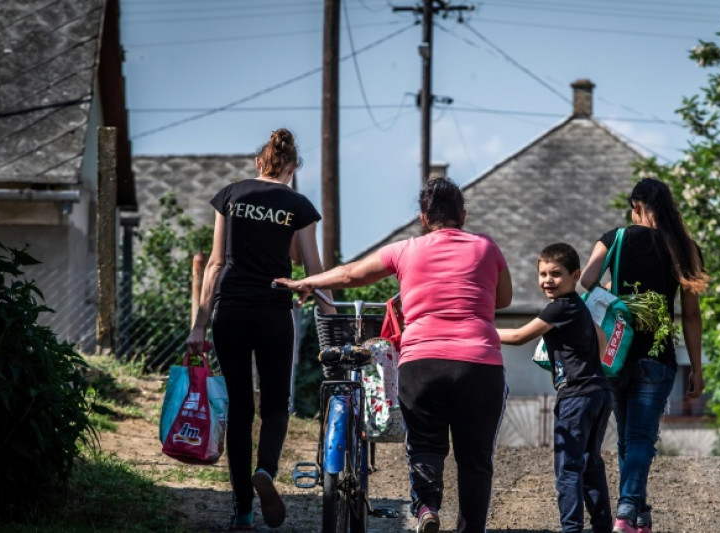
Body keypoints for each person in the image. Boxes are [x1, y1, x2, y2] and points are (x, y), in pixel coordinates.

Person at [273, 177, 513, 533]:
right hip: (479, 364)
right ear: (463, 214)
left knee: (425, 444)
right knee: (475, 460)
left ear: (423, 217)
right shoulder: (487, 247)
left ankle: (427, 508)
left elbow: (352, 274)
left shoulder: (405, 249)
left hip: (422, 364)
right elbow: (504, 300)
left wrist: (310, 282)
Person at [186, 128, 329, 530]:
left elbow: (214, 265)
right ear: (292, 167)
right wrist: (329, 309)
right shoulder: (298, 205)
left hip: (229, 310)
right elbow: (313, 269)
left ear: (259, 163)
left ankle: (244, 512)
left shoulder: (230, 196)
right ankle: (265, 469)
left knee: (239, 409)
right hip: (273, 310)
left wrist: (199, 326)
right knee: (276, 402)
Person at [580, 177, 709, 533]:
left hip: (616, 353)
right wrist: (695, 368)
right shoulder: (685, 248)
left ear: (636, 206)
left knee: (627, 438)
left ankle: (636, 512)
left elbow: (586, 280)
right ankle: (629, 512)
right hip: (658, 355)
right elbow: (692, 315)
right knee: (639, 438)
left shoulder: (615, 238)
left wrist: (612, 287)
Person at [497, 243, 613, 533]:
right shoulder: (579, 306)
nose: (548, 280)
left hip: (575, 396)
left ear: (575, 276)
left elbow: (519, 336)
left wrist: (474, 328)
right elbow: (601, 340)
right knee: (590, 463)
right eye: (543, 274)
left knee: (568, 468)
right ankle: (601, 525)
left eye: (556, 274)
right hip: (598, 391)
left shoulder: (559, 307)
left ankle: (571, 527)